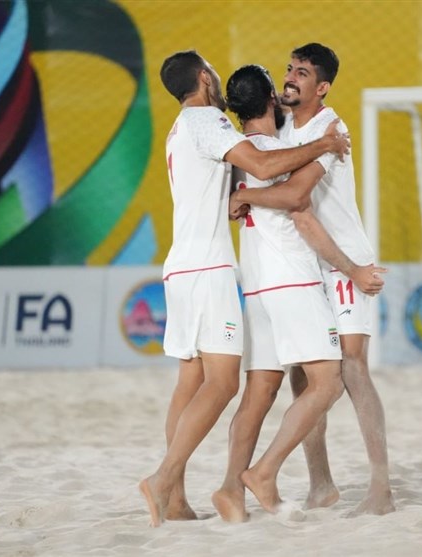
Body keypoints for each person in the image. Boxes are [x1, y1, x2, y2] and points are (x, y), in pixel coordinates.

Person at [139, 50, 350, 528]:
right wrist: (323, 145)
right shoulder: (208, 121)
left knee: (195, 384)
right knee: (226, 384)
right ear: (201, 78)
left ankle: (180, 498)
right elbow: (263, 164)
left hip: (190, 268)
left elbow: (249, 160)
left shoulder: (189, 129)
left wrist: (247, 192)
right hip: (215, 270)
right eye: (210, 67)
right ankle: (166, 479)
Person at [279, 43, 395, 515]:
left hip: (346, 260)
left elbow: (297, 194)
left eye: (301, 73)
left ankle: (381, 488)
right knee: (302, 375)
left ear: (321, 87)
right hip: (310, 263)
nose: (290, 78)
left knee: (352, 369)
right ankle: (320, 485)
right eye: (289, 68)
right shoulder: (286, 124)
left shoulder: (333, 128)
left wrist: (249, 195)